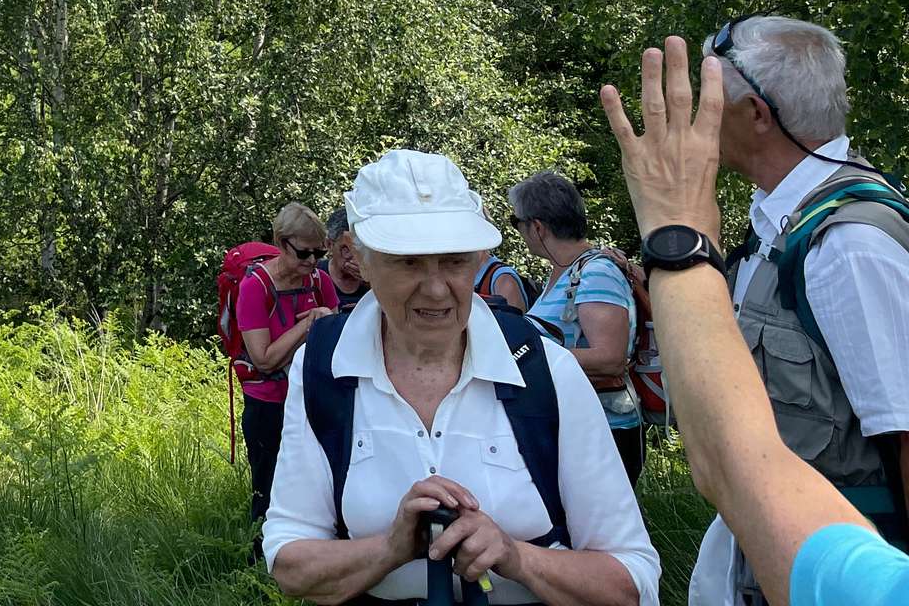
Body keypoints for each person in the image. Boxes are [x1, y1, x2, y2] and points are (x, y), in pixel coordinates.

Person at [265, 149, 658, 606]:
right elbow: (290, 563)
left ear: (479, 259)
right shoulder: (323, 366)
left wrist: (515, 557)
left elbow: (631, 580)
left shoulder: (546, 370)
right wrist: (391, 548)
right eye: (408, 262)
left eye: (454, 261)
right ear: (359, 259)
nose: (436, 289)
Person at [601, 36, 909, 606]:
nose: (698, 114)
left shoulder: (849, 244)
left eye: (710, 97)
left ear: (757, 114)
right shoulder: (780, 224)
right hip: (784, 566)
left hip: (842, 574)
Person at [509, 170, 646, 487]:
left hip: (604, 432)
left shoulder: (597, 272)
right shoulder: (566, 272)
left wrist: (526, 355)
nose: (519, 232)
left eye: (517, 222)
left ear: (538, 227)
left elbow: (610, 358)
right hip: (576, 426)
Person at [238, 201, 341, 543]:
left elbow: (336, 342)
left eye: (319, 253)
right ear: (282, 244)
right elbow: (264, 359)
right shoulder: (254, 288)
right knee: (267, 487)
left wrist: (324, 321)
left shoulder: (319, 281)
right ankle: (259, 558)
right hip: (267, 403)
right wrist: (309, 325)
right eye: (304, 253)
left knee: (318, 481)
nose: (312, 261)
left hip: (312, 397)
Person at [325, 206, 371, 311]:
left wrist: (371, 282)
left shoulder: (376, 275)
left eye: (360, 248)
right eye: (346, 249)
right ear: (329, 244)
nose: (355, 257)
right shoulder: (315, 277)